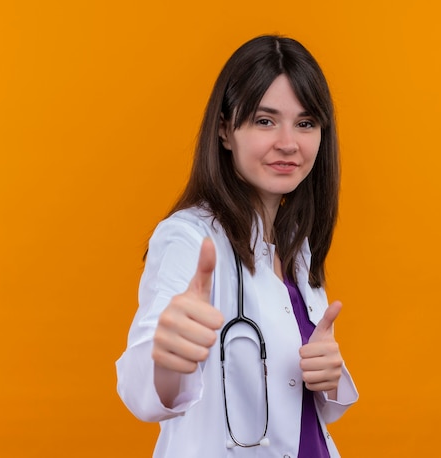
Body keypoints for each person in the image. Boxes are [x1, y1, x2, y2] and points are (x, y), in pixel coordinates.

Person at [116, 34, 358, 457]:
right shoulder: (189, 239)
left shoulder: (296, 245)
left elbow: (298, 404)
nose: (288, 142)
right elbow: (144, 392)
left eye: (305, 123)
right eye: (265, 121)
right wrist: (167, 360)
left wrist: (330, 375)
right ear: (226, 130)